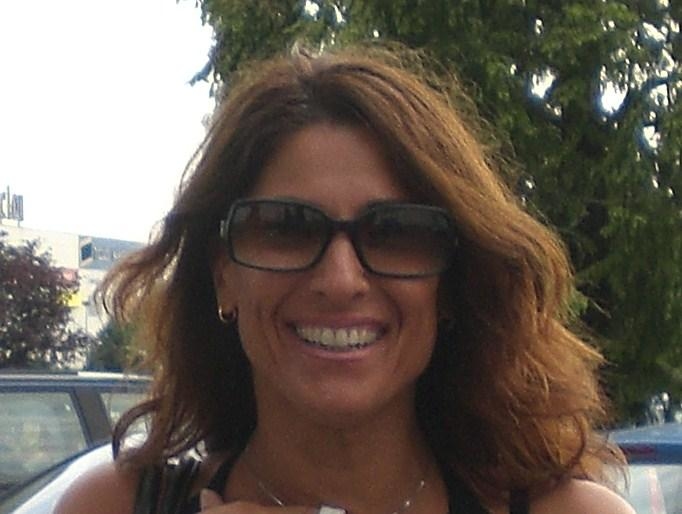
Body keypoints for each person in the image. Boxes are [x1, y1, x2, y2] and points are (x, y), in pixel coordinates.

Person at [56, 45, 635, 514]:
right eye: (286, 227)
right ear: (223, 274)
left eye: (396, 232)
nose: (340, 280)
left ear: (454, 284)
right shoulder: (110, 506)